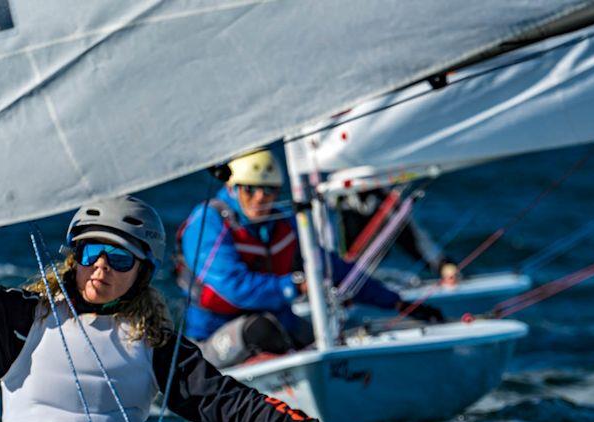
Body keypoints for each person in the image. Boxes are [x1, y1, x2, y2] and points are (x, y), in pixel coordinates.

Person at [0, 195, 366, 422]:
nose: (100, 268)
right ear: (74, 258)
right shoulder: (23, 320)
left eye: (119, 259)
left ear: (142, 272)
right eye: (90, 254)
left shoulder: (151, 340)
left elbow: (225, 403)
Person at [175, 150, 443, 369]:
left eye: (269, 191)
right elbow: (234, 288)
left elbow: (330, 268)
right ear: (232, 188)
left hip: (280, 324)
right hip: (213, 339)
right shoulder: (208, 223)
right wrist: (294, 285)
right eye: (250, 190)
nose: (260, 198)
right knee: (261, 330)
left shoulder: (282, 223)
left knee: (332, 338)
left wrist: (396, 302)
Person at [337, 188, 460, 283]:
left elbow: (411, 237)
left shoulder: (381, 197)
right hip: (342, 279)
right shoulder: (332, 200)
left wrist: (442, 265)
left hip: (369, 278)